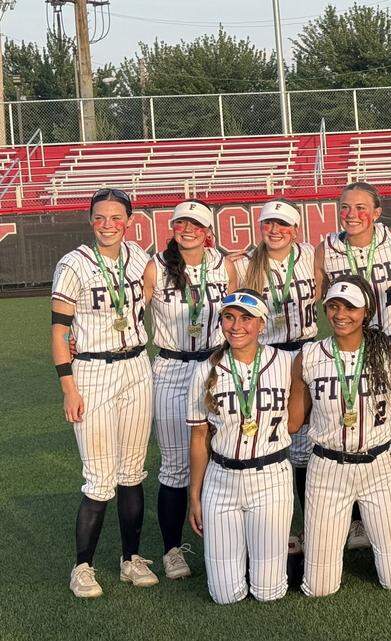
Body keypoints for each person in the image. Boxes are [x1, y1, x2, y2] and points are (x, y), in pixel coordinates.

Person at [52, 188, 157, 598]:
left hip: (135, 365)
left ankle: (130, 559)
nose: (108, 225)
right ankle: (83, 567)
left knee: (132, 472)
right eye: (100, 217)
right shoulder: (73, 264)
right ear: (90, 220)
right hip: (93, 370)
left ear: (128, 220)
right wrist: (68, 386)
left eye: (116, 217)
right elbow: (59, 331)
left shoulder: (138, 256)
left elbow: (144, 296)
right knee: (99, 479)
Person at [289, 276, 391, 596]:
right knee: (318, 587)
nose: (341, 314)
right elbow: (293, 423)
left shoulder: (389, 352)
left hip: (379, 466)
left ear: (367, 311)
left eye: (350, 307)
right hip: (328, 468)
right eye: (333, 306)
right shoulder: (310, 355)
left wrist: (376, 427)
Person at [314, 182, 391, 548]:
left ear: (376, 212)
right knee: (353, 428)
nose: (351, 214)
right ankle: (356, 520)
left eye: (360, 208)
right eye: (344, 207)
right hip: (351, 349)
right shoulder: (327, 248)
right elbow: (318, 291)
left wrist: (388, 313)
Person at [144, 199, 236, 580]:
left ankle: (219, 536)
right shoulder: (157, 266)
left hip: (215, 365)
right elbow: (131, 312)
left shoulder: (224, 265)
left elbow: (238, 315)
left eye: (195, 225)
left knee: (218, 456)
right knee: (175, 467)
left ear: (208, 232)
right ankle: (171, 550)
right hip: (171, 367)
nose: (187, 229)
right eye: (181, 222)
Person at [186, 290, 297, 604]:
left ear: (262, 324)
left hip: (271, 477)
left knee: (268, 593)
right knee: (225, 595)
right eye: (229, 317)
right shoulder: (204, 369)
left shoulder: (286, 362)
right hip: (221, 482)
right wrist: (195, 495)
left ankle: (287, 557)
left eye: (246, 318)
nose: (236, 326)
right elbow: (198, 438)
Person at [234, 199, 320, 544]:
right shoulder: (244, 265)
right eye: (269, 223)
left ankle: (311, 523)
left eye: (282, 225)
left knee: (308, 445)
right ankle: (276, 525)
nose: (275, 230)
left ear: (295, 230)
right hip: (267, 357)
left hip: (307, 351)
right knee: (272, 440)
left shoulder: (312, 255)